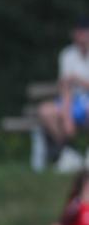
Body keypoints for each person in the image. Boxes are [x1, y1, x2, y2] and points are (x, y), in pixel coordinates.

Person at [37, 16, 89, 170]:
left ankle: (78, 156)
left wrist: (78, 80)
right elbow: (65, 88)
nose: (80, 36)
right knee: (45, 111)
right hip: (71, 101)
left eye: (83, 32)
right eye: (78, 32)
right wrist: (67, 116)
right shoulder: (67, 54)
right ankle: (68, 153)